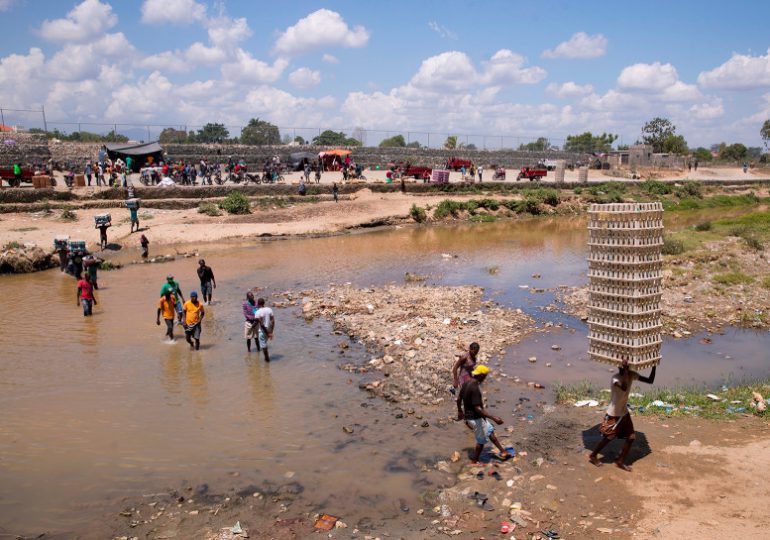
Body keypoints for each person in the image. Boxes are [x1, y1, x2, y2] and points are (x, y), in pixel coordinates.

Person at [589, 360, 657, 472]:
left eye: (626, 367)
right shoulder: (615, 378)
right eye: (624, 367)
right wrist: (626, 371)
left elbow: (650, 380)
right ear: (619, 367)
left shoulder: (630, 374)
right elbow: (624, 387)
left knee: (631, 437)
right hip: (614, 413)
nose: (625, 368)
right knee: (609, 437)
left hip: (623, 411)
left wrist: (654, 366)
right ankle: (593, 455)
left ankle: (620, 461)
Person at [456, 365, 512, 463]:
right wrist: (493, 417)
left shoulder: (466, 383)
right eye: (485, 376)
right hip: (475, 419)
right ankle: (475, 461)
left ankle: (503, 451)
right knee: (481, 442)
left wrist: (460, 411)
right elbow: (477, 408)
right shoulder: (475, 388)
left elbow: (459, 399)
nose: (485, 378)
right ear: (481, 375)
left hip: (469, 417)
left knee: (490, 430)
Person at [254, 297, 274, 362]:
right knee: (265, 343)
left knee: (264, 346)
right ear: (264, 303)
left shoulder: (257, 312)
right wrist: (271, 332)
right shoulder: (269, 309)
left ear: (258, 304)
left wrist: (268, 333)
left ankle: (267, 360)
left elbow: (261, 324)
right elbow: (273, 321)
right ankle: (267, 359)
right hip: (269, 330)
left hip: (262, 332)